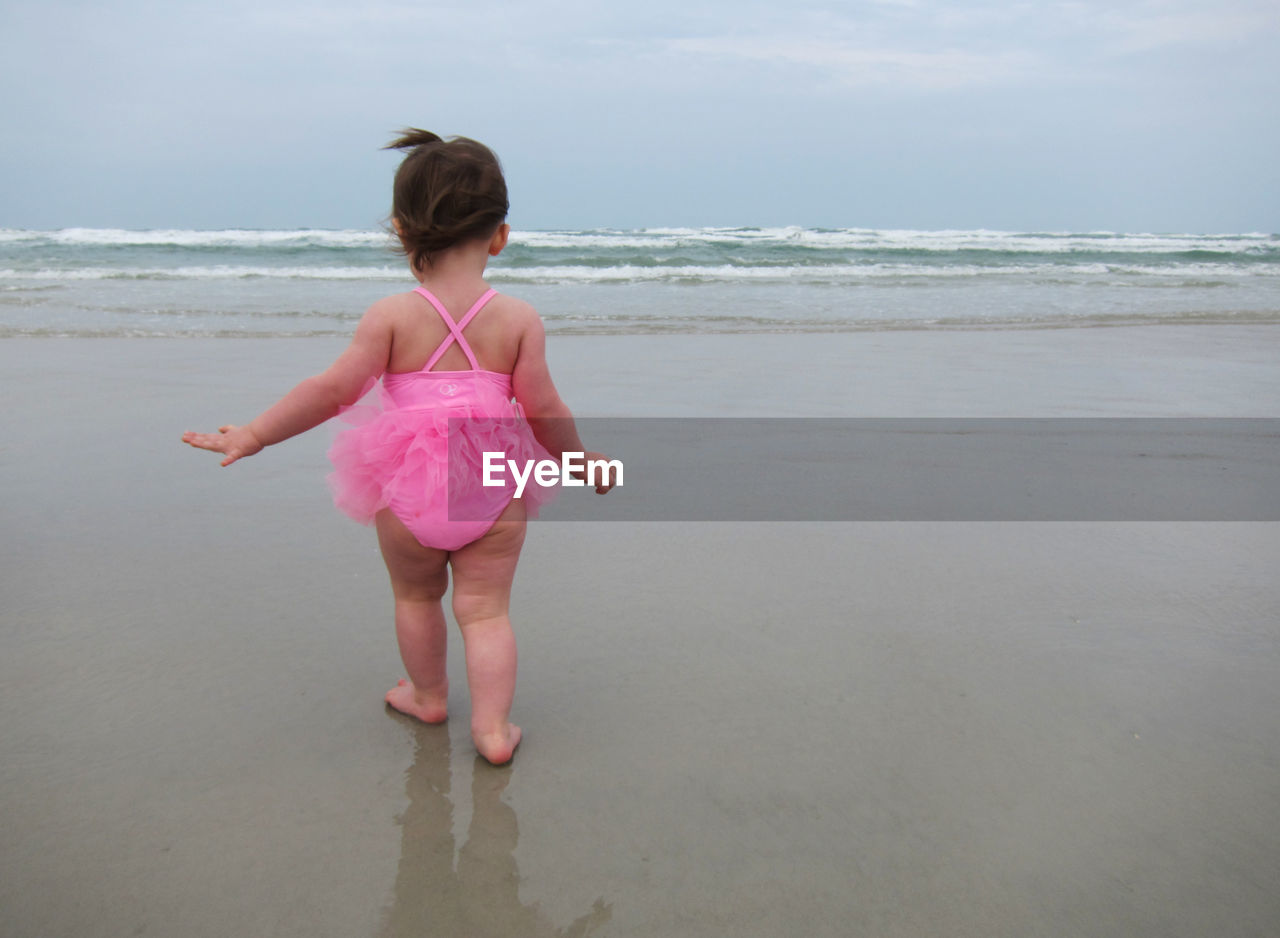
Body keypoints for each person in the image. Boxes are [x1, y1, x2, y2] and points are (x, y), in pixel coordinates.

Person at [183, 130, 614, 765]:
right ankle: (493, 731)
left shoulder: (390, 316)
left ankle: (428, 695)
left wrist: (255, 433)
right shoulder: (517, 319)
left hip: (406, 486)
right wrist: (583, 462)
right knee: (486, 611)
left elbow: (331, 391)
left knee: (416, 597)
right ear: (500, 234)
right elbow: (546, 410)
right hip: (490, 486)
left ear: (404, 233)